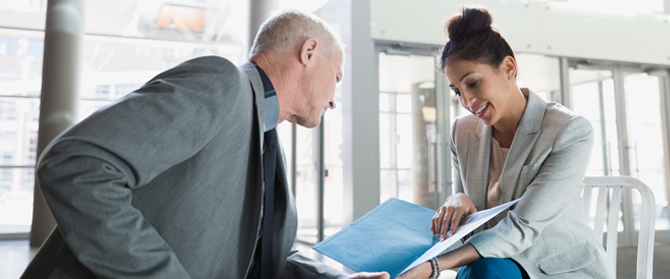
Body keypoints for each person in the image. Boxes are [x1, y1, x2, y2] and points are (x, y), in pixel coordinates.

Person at [21, 10, 388, 279]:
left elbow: (256, 253)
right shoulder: (222, 83)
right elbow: (77, 164)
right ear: (308, 52)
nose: (334, 99)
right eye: (336, 77)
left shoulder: (265, 139)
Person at [399, 6, 613, 279]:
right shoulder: (462, 132)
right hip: (495, 263)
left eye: (473, 83)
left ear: (509, 67)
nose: (467, 102)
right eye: (457, 92)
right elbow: (468, 225)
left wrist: (435, 266)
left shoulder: (568, 130)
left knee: (485, 270)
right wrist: (457, 199)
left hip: (556, 268)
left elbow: (523, 226)